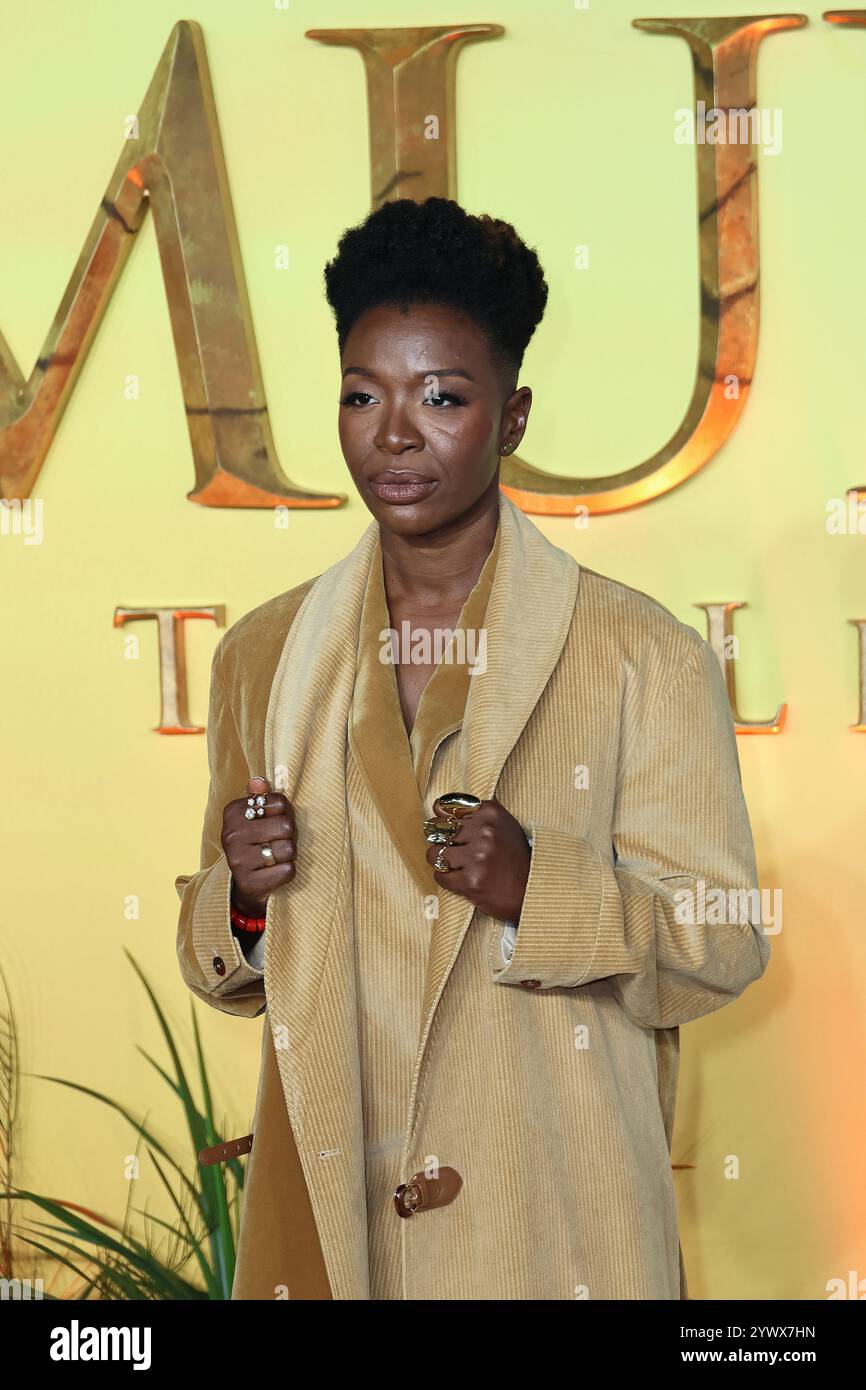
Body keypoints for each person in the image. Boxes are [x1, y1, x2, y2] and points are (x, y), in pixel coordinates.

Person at [175, 196, 770, 1301]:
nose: (392, 434)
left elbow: (722, 940)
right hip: (332, 1222)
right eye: (362, 395)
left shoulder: (643, 655)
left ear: (511, 418)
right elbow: (221, 960)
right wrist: (244, 899)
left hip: (556, 1228)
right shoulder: (263, 656)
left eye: (440, 397)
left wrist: (540, 887)